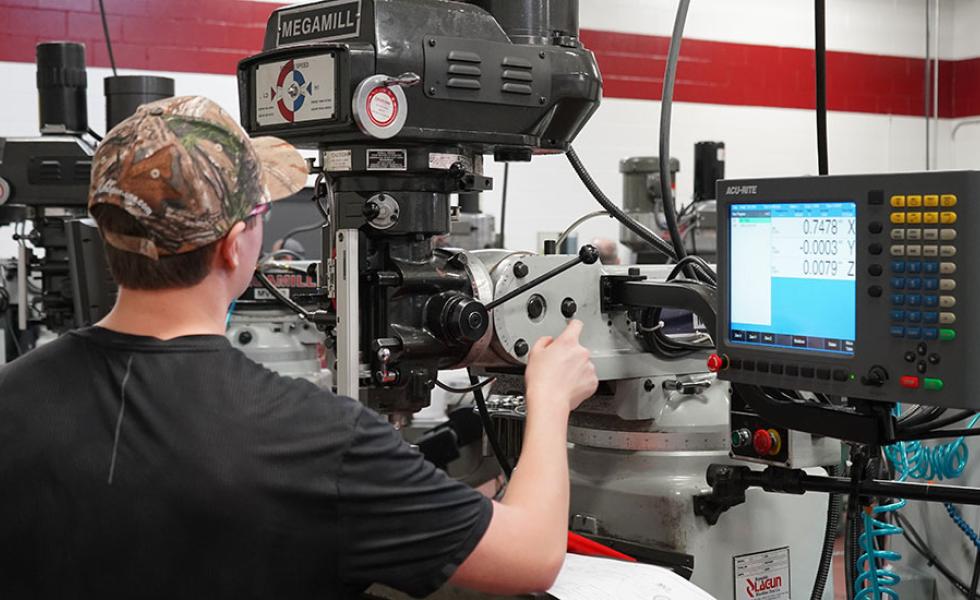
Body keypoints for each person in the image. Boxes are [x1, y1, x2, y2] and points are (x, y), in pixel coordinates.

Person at [0, 96, 598, 599]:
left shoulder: (14, 396)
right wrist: (548, 397)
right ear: (236, 245)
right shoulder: (310, 436)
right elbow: (531, 555)